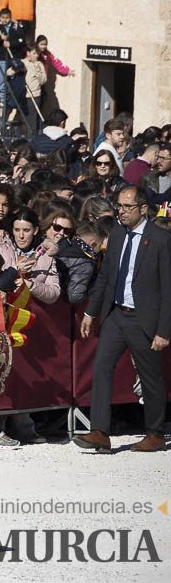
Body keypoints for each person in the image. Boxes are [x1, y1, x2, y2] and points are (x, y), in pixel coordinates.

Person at [76, 186, 170, 453]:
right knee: (102, 366)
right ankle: (100, 432)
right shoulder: (117, 233)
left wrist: (164, 330)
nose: (122, 211)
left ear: (143, 209)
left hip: (145, 318)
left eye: (128, 207)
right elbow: (105, 276)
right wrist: (90, 311)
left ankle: (155, 432)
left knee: (150, 376)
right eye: (119, 205)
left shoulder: (161, 239)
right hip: (116, 314)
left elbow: (168, 289)